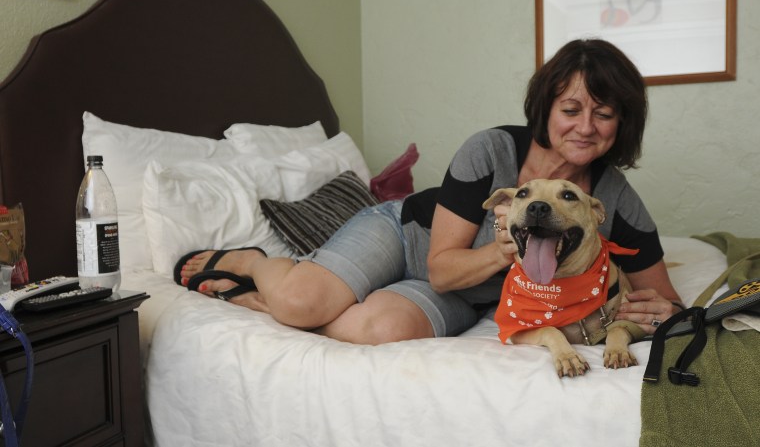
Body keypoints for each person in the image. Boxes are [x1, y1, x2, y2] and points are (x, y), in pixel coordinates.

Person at [176, 38, 684, 345]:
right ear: (546, 110)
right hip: (408, 237)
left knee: (379, 331)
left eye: (604, 113)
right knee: (300, 303)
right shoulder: (490, 151)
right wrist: (508, 248)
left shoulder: (613, 198)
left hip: (470, 295)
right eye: (572, 110)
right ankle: (251, 263)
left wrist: (661, 311)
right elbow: (442, 266)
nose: (586, 127)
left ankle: (275, 303)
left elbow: (664, 298)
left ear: (623, 123)